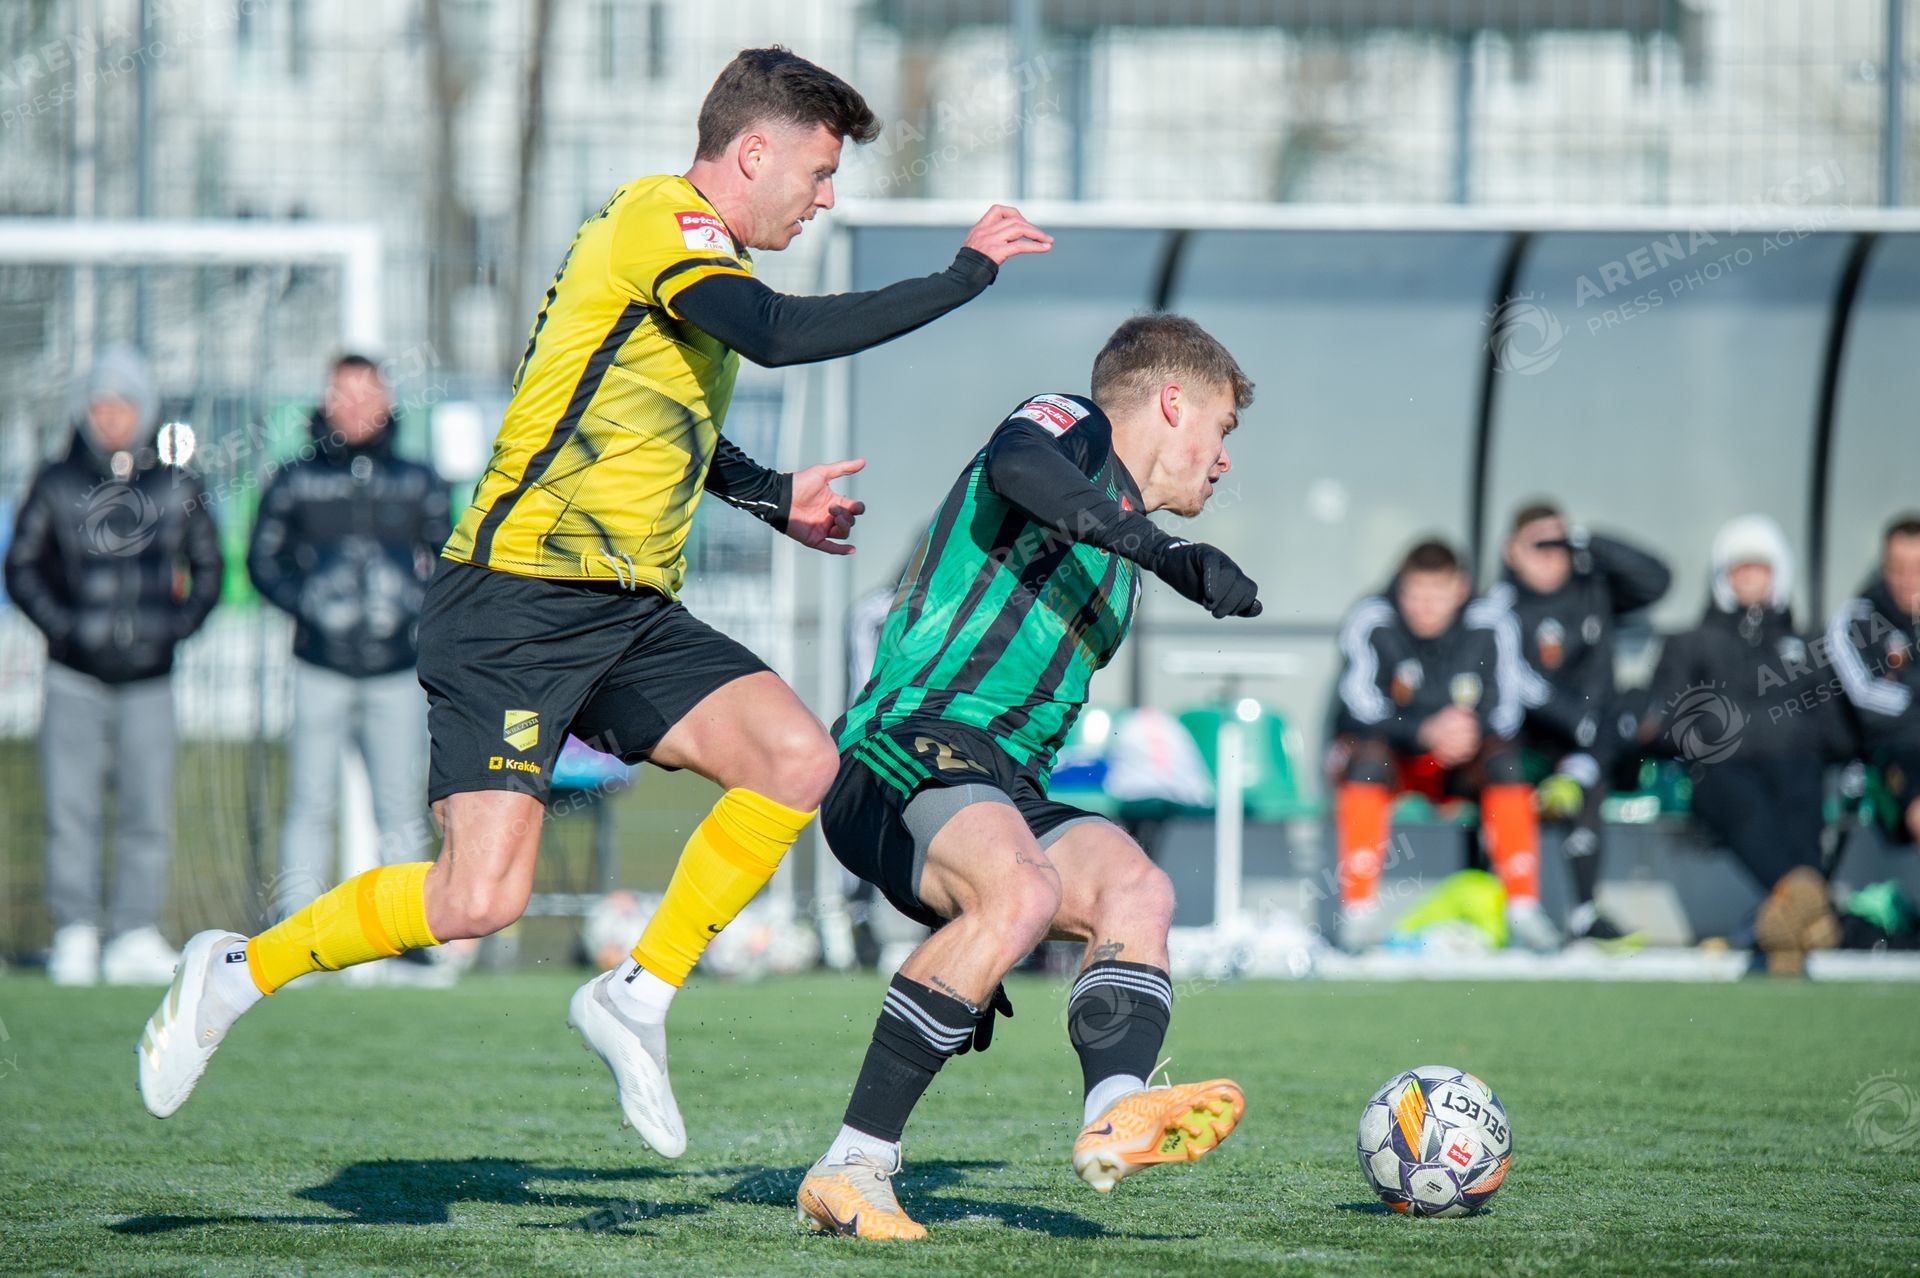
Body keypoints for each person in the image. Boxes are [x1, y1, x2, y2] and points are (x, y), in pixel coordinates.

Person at [137, 47, 1051, 1138]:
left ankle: (636, 994)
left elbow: (651, 419)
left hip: (626, 610)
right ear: (752, 153)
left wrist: (772, 497)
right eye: (817, 173)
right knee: (478, 900)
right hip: (514, 602)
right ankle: (238, 970)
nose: (823, 199)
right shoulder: (661, 221)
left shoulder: (697, 260)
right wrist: (962, 277)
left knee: (797, 758)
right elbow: (776, 338)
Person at [797, 314, 1260, 1240]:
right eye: (1222, 428)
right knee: (1021, 889)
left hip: (998, 784)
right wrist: (1166, 553)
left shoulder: (1122, 558)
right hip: (905, 741)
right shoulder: (1070, 426)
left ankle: (1114, 1111)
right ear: (1173, 401)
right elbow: (1017, 465)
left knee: (1137, 888)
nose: (1223, 459)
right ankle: (849, 1167)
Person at [5, 345, 223, 985]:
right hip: (73, 676)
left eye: (123, 404)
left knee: (145, 809)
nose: (111, 416)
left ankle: (133, 930)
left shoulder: (177, 484)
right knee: (69, 807)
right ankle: (74, 929)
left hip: (150, 680)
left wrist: (171, 631)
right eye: (100, 404)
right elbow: (22, 567)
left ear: (144, 410)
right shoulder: (55, 482)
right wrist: (66, 629)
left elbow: (209, 567)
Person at [247, 355, 451, 926]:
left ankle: (406, 931)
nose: (356, 407)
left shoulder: (418, 480)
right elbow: (263, 560)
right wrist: (310, 603)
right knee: (309, 802)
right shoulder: (294, 478)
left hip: (397, 670)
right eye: (344, 394)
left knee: (400, 807)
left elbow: (448, 563)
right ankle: (295, 926)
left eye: (367, 395)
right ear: (325, 402)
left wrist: (412, 610)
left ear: (387, 402)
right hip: (319, 666)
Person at [1640, 515, 1843, 974]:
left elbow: (1832, 725)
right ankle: (1808, 903)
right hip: (1720, 769)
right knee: (1735, 794)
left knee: (1803, 785)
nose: (1750, 577)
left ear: (1779, 574)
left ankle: (1786, 919)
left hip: (1793, 765)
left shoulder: (1806, 645)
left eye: (1760, 567)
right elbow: (1666, 718)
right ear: (1723, 575)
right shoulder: (1692, 643)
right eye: (1740, 567)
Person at [1330, 540, 1555, 953]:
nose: (1425, 607)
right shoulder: (1372, 618)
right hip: (1400, 762)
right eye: (1415, 595)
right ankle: (1358, 911)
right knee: (1364, 761)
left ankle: (1523, 907)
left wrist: (1465, 731)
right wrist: (1423, 731)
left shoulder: (1491, 621)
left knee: (1507, 763)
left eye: (1437, 595)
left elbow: (1507, 707)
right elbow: (1358, 706)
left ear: (1460, 588)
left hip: (1463, 763)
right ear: (1400, 588)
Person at [1485, 502, 1670, 942]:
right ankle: (1577, 911)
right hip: (1538, 741)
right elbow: (1516, 681)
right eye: (1539, 544)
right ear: (1512, 551)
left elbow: (1657, 580)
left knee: (1647, 706)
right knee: (1567, 768)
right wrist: (1580, 722)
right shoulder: (1498, 606)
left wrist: (1589, 540)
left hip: (1600, 740)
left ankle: (1580, 772)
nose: (1552, 554)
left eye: (1560, 543)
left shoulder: (1592, 586)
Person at [1827, 514, 1920, 847]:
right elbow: (1867, 699)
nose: (1908, 579)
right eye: (1898, 568)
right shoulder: (1856, 620)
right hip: (1891, 755)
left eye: (1917, 568)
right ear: (1883, 566)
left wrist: (1904, 680)